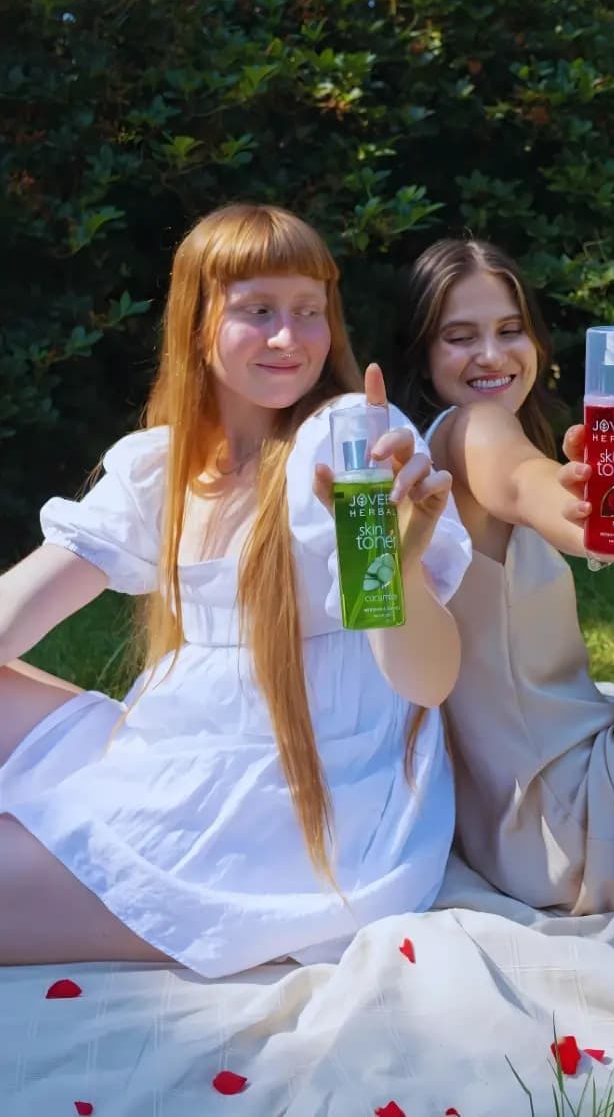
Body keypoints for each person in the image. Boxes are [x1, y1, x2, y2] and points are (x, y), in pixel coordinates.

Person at [0, 204, 471, 978]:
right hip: (178, 752)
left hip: (289, 812)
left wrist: (393, 562)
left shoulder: (343, 438)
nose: (290, 337)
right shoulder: (164, 465)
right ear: (197, 324)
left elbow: (426, 680)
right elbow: (19, 608)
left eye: (309, 310)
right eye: (259, 311)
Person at [395, 236, 614, 914]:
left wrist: (609, 518)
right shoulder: (469, 431)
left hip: (530, 827)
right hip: (578, 822)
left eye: (510, 330)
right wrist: (579, 513)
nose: (491, 355)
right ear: (423, 354)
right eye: (460, 337)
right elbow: (526, 485)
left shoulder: (434, 457)